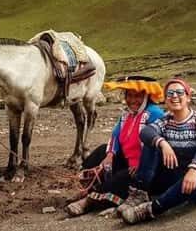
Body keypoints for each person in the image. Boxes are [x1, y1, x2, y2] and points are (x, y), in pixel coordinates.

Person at [120, 78, 196, 224]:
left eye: (179, 92)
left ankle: (151, 209)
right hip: (179, 173)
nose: (174, 96)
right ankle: (140, 192)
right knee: (152, 143)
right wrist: (163, 143)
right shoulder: (166, 120)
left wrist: (195, 170)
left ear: (188, 97)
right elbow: (146, 132)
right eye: (170, 93)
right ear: (166, 99)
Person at [65, 76, 165, 216]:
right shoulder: (127, 114)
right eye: (129, 95)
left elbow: (156, 145)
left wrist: (142, 164)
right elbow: (116, 135)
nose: (132, 100)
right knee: (101, 151)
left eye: (137, 96)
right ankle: (88, 189)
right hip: (128, 160)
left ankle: (90, 200)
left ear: (146, 96)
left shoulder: (155, 113)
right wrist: (110, 154)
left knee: (122, 177)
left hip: (146, 169)